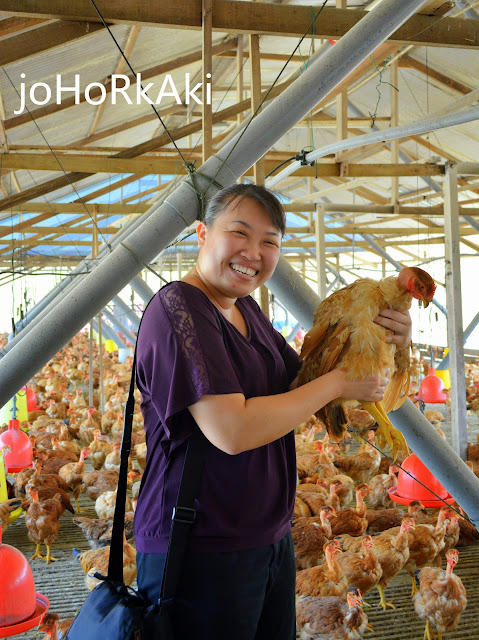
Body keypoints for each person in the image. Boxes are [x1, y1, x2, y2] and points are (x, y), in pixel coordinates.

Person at [133, 183, 412, 640]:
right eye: (239, 233)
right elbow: (231, 430)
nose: (253, 252)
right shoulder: (179, 309)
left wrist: (388, 336)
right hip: (201, 545)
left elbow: (305, 381)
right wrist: (339, 382)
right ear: (202, 233)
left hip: (268, 536)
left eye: (270, 242)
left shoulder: (246, 310)